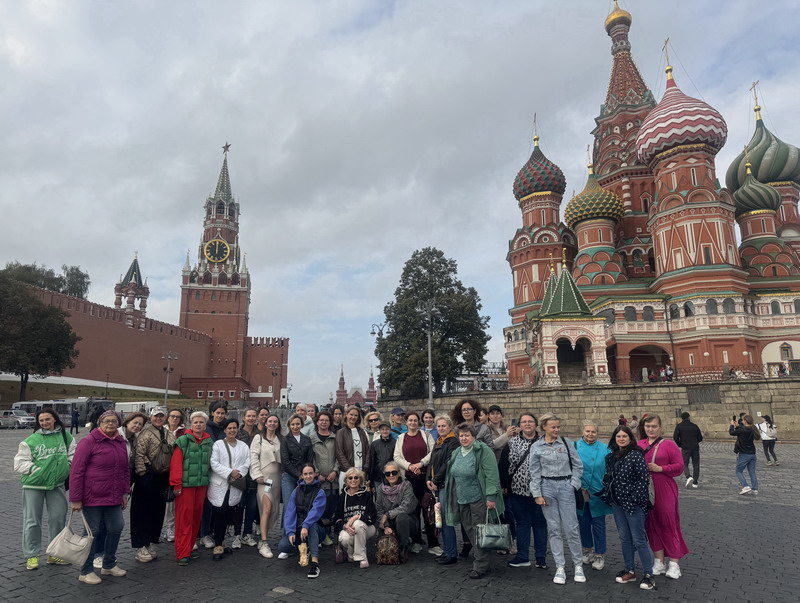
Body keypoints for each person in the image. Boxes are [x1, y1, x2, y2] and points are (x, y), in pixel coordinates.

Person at [69, 410, 130, 584]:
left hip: (113, 496)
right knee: (91, 533)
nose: (110, 423)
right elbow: (76, 471)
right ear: (99, 423)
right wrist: (75, 498)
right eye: (106, 421)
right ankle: (86, 570)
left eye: (114, 421)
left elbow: (125, 469)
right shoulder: (88, 442)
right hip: (92, 496)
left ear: (118, 423)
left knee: (117, 527)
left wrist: (125, 493)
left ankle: (109, 564)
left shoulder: (120, 441)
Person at [15, 408, 76, 571]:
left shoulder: (66, 437)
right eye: (41, 421)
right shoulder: (31, 440)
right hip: (33, 485)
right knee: (32, 521)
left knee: (58, 519)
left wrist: (66, 468)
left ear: (55, 419)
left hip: (56, 485)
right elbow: (19, 463)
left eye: (47, 419)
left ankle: (54, 554)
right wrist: (37, 471)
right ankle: (32, 555)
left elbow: (73, 456)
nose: (44, 423)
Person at [529, 413, 585, 585]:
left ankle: (578, 565)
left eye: (558, 427)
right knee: (553, 528)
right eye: (553, 427)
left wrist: (573, 484)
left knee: (572, 527)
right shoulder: (537, 446)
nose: (556, 430)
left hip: (565, 486)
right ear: (544, 427)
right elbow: (534, 471)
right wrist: (537, 494)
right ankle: (560, 566)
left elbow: (578, 465)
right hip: (547, 488)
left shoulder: (567, 443)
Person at [444, 423, 503, 579]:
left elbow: (491, 475)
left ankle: (480, 566)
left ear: (474, 436)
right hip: (462, 498)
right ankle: (483, 559)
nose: (464, 438)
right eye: (461, 435)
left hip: (479, 499)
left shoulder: (483, 451)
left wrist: (491, 497)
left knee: (479, 531)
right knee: (470, 530)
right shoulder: (457, 452)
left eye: (467, 435)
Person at [602, 425, 655, 590]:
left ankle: (648, 574)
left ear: (630, 438)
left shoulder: (636, 455)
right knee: (625, 538)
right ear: (614, 439)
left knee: (639, 540)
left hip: (633, 505)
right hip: (617, 504)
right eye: (618, 436)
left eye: (624, 436)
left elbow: (643, 480)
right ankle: (630, 570)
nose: (621, 439)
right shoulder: (612, 456)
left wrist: (633, 500)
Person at [638, 414, 689, 579]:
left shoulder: (669, 444)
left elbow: (679, 467)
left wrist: (661, 468)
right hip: (645, 489)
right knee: (651, 524)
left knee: (668, 523)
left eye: (654, 426)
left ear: (660, 428)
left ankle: (674, 563)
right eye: (648, 426)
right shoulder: (639, 444)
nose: (651, 429)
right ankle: (659, 561)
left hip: (664, 488)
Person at [500, 413, 548, 570]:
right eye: (524, 422)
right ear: (519, 425)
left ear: (536, 424)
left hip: (540, 492)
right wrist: (504, 484)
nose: (527, 424)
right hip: (518, 491)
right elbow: (504, 465)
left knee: (540, 525)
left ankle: (541, 558)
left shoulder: (544, 442)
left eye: (530, 421)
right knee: (522, 524)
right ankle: (522, 556)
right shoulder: (512, 442)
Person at [131, 407, 175, 563]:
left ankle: (149, 541)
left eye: (162, 416)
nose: (159, 419)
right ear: (151, 417)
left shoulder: (169, 434)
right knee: (142, 512)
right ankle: (140, 545)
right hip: (148, 475)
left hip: (163, 476)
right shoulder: (145, 433)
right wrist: (142, 473)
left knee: (157, 512)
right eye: (156, 416)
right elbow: (139, 454)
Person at [170, 411, 213, 566]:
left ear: (205, 425)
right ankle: (182, 552)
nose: (198, 425)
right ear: (191, 424)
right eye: (195, 422)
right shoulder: (182, 441)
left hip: (201, 485)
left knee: (196, 517)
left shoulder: (209, 442)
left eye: (201, 422)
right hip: (186, 486)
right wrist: (177, 484)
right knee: (184, 519)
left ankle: (189, 548)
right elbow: (176, 464)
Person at [394, 411, 437, 554]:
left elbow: (433, 451)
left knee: (428, 511)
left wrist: (420, 463)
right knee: (413, 510)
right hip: (409, 479)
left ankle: (433, 543)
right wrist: (410, 466)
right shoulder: (401, 438)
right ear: (406, 422)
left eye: (415, 420)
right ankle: (417, 541)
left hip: (425, 478)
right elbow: (397, 456)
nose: (413, 423)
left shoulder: (426, 435)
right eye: (410, 420)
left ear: (419, 422)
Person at [208, 418, 250, 560]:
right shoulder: (218, 445)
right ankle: (218, 544)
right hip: (220, 485)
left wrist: (239, 473)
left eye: (234, 428)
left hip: (235, 485)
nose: (232, 430)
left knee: (228, 513)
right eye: (229, 428)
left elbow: (247, 462)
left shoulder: (243, 446)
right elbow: (214, 463)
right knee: (219, 512)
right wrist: (229, 472)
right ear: (225, 430)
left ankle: (223, 541)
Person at [277, 463, 326, 579]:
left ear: (315, 474)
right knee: (283, 546)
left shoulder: (320, 492)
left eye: (310, 473)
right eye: (305, 474)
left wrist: (305, 526)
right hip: (299, 529)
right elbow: (290, 512)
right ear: (302, 476)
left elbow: (315, 512)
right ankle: (306, 547)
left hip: (316, 529)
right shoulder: (296, 491)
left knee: (312, 525)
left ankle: (315, 562)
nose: (308, 476)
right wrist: (290, 532)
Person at [575, 421, 612, 570]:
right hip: (581, 491)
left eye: (593, 432)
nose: (590, 434)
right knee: (583, 523)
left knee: (598, 524)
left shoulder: (605, 449)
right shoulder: (575, 447)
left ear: (598, 433)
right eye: (588, 431)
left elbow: (610, 470)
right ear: (583, 431)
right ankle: (587, 549)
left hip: (598, 492)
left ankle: (600, 554)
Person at [426, 415, 460, 565]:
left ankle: (451, 553)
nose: (440, 428)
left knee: (446, 520)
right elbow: (432, 462)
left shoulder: (452, 441)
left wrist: (435, 480)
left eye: (443, 426)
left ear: (450, 427)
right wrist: (428, 478)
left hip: (446, 485)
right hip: (438, 485)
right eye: (438, 426)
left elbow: (448, 463)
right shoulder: (439, 441)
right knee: (441, 520)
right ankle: (447, 551)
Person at [250, 414, 282, 558]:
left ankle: (265, 535)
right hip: (264, 479)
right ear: (265, 423)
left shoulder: (281, 439)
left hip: (277, 479)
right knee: (266, 508)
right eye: (270, 421)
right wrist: (257, 474)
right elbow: (253, 456)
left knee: (274, 510)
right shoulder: (259, 438)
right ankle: (264, 542)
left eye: (275, 421)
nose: (273, 424)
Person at [374, 461, 418, 563]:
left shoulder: (406, 485)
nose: (391, 475)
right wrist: (386, 525)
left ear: (399, 473)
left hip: (408, 522)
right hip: (389, 523)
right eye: (387, 473)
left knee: (401, 517)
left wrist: (388, 514)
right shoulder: (380, 489)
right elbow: (379, 509)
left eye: (394, 472)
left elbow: (406, 506)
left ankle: (404, 547)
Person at [334, 468, 377, 568]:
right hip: (349, 529)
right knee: (344, 538)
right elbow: (336, 519)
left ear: (360, 480)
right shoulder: (342, 497)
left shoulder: (366, 495)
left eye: (356, 477)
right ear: (346, 481)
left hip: (367, 528)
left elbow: (373, 516)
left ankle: (362, 557)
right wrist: (345, 526)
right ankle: (351, 554)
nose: (353, 480)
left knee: (357, 524)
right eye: (350, 478)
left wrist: (357, 517)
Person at [310, 411, 339, 545]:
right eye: (321, 420)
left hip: (333, 480)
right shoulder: (311, 438)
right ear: (317, 422)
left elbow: (339, 456)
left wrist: (335, 471)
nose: (323, 422)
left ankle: (326, 534)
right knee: (317, 508)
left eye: (326, 420)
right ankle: (318, 534)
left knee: (330, 507)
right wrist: (316, 473)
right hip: (318, 479)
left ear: (330, 422)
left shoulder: (335, 438)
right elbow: (310, 458)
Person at [281, 414, 314, 526]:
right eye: (293, 424)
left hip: (305, 476)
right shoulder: (285, 440)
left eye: (297, 424)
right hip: (289, 476)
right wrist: (298, 474)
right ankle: (287, 534)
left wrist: (305, 474)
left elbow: (309, 459)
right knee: (288, 505)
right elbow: (285, 461)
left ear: (302, 425)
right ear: (289, 426)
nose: (295, 427)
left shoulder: (307, 439)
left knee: (303, 504)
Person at [234, 409, 260, 548]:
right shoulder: (237, 433)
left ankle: (247, 533)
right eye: (248, 416)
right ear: (243, 418)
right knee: (239, 506)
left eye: (253, 416)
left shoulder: (260, 433)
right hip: (240, 474)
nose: (251, 418)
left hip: (254, 475)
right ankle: (237, 535)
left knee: (251, 506)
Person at [161, 410, 185, 543]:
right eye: (172, 416)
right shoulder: (162, 431)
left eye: (178, 417)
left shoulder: (184, 432)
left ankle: (173, 527)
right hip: (163, 470)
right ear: (168, 418)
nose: (175, 419)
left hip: (178, 470)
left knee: (175, 500)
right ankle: (168, 527)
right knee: (167, 501)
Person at [335, 406, 371, 489]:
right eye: (351, 414)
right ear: (346, 415)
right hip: (346, 472)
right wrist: (351, 472)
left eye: (356, 415)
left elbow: (368, 451)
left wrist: (365, 470)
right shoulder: (340, 432)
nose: (353, 417)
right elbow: (339, 453)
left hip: (361, 472)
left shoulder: (362, 432)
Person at [730, 414, 761, 495]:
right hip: (752, 454)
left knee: (738, 471)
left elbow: (732, 433)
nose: (742, 421)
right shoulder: (752, 429)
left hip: (744, 454)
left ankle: (745, 486)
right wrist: (737, 426)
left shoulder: (742, 430)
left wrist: (731, 425)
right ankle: (755, 489)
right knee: (752, 471)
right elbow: (742, 431)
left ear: (746, 421)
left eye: (743, 420)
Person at [673, 412, 703, 488]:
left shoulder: (679, 426)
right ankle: (695, 482)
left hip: (685, 447)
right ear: (689, 417)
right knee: (696, 464)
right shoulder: (694, 426)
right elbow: (700, 438)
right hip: (695, 447)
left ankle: (688, 476)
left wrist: (680, 444)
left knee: (684, 463)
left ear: (682, 418)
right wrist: (695, 441)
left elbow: (675, 437)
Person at [368, 420, 396, 487]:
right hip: (377, 477)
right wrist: (370, 479)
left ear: (390, 430)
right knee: (379, 496)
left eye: (387, 429)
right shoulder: (374, 444)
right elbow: (371, 461)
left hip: (391, 476)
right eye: (382, 429)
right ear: (379, 431)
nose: (385, 431)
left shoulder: (395, 443)